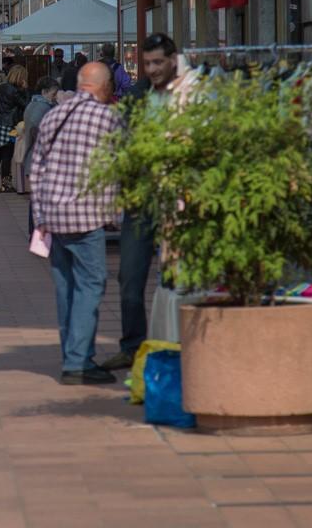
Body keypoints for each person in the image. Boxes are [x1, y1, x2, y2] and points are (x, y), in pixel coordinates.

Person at [29, 62, 123, 385]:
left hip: (54, 216)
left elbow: (36, 167)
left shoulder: (54, 115)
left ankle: (73, 354)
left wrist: (40, 216)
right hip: (86, 215)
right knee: (91, 284)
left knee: (66, 287)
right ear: (105, 86)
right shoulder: (108, 118)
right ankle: (78, 361)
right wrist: (114, 213)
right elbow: (115, 167)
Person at [100, 33, 180, 370]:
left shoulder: (191, 94)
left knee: (179, 277)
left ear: (173, 60)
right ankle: (133, 346)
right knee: (129, 279)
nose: (153, 69)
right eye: (148, 64)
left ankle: (180, 345)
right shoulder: (137, 95)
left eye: (159, 62)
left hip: (180, 200)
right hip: (141, 199)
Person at [21, 77, 61, 232]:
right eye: (54, 93)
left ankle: (35, 233)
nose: (55, 96)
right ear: (45, 92)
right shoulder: (43, 109)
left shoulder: (33, 105)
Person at [0, 65, 30, 193]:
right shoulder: (15, 91)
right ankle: (6, 183)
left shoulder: (1, 87)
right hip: (7, 125)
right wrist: (26, 90)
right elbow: (26, 105)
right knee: (7, 155)